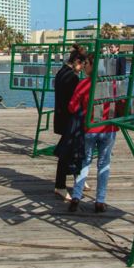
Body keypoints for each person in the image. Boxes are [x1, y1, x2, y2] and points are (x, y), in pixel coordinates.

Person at [67, 52, 118, 213]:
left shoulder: (83, 84)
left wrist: (83, 110)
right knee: (104, 164)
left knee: (85, 162)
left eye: (86, 64)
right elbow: (122, 102)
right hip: (108, 128)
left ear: (92, 66)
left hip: (89, 128)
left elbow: (72, 107)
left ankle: (76, 196)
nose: (84, 66)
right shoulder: (112, 83)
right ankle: (100, 200)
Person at [52, 46, 86, 202]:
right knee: (67, 152)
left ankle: (78, 178)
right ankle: (61, 185)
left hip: (62, 116)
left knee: (72, 150)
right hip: (70, 119)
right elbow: (75, 101)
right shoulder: (72, 77)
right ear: (77, 61)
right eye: (82, 65)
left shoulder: (61, 72)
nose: (83, 68)